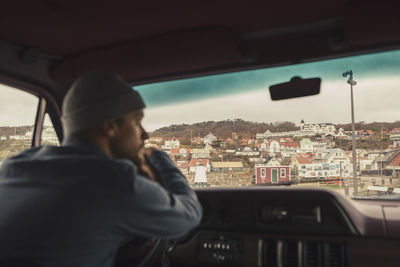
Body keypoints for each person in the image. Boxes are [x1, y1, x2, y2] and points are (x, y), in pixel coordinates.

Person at [0, 71, 203, 266]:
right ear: (109, 126)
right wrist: (160, 158)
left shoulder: (14, 166)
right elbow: (189, 215)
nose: (145, 135)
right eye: (137, 121)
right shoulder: (114, 181)